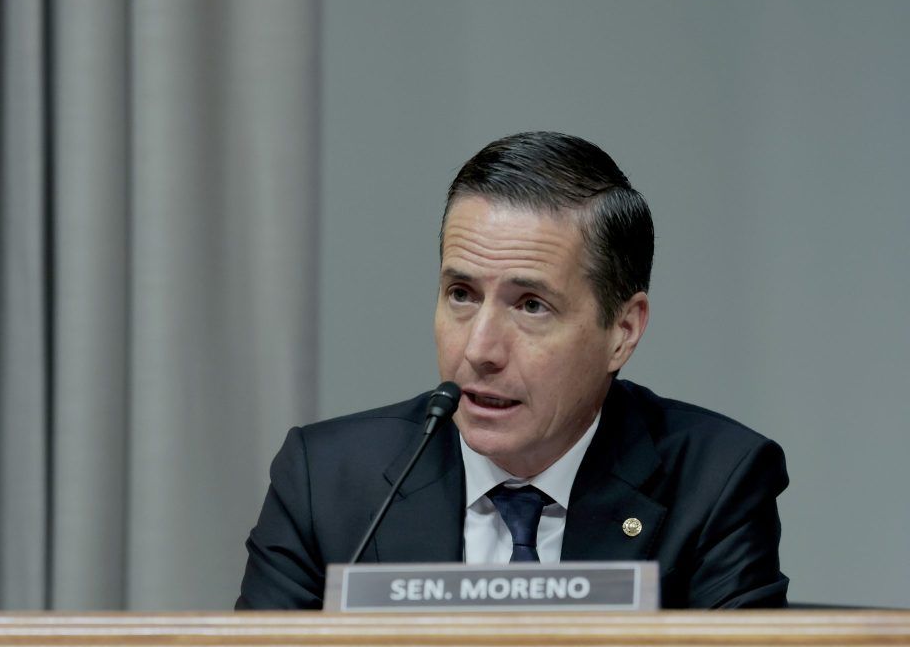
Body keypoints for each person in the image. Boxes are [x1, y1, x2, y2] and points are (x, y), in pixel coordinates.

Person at [237, 131, 788, 610]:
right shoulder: (328, 482)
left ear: (622, 331)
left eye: (531, 305)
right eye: (461, 294)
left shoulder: (714, 484)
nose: (480, 349)